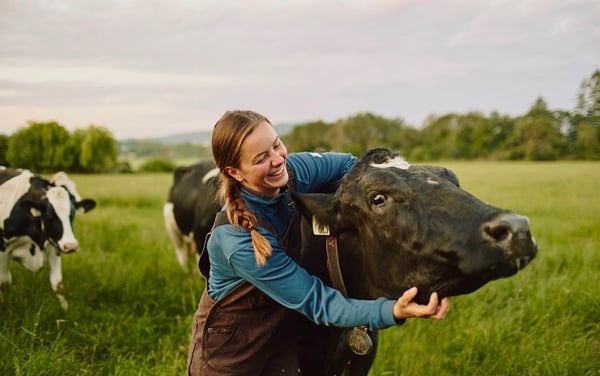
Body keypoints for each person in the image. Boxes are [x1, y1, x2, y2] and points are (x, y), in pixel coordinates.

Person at [187, 110, 450, 375]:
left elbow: (353, 166)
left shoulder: (291, 172)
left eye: (276, 144)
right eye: (261, 158)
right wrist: (393, 309)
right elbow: (317, 301)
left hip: (281, 336)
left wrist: (398, 187)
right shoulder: (238, 239)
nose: (278, 159)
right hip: (232, 353)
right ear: (235, 172)